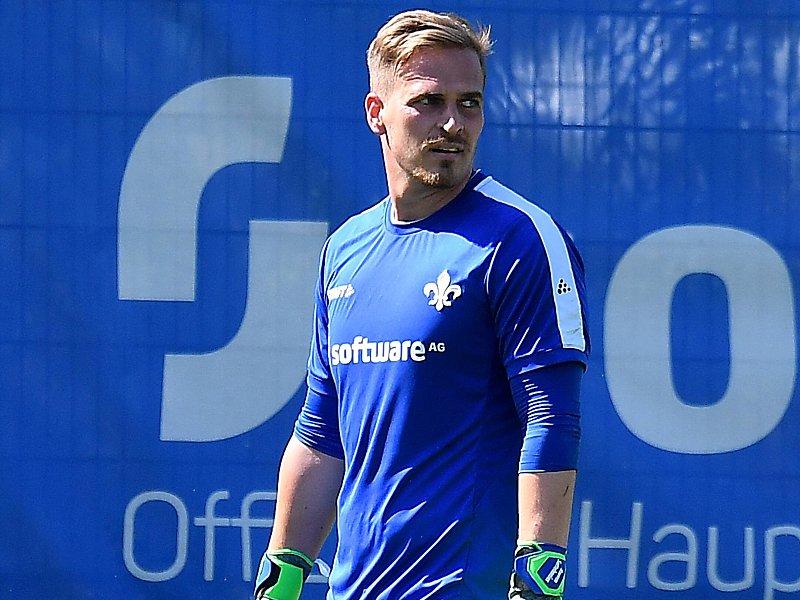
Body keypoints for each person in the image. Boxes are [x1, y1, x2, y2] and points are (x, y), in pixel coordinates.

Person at [254, 9, 590, 600]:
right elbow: (321, 433)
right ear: (376, 114)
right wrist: (280, 578)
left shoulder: (520, 240)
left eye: (470, 103)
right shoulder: (344, 251)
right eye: (429, 102)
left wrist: (539, 576)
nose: (453, 123)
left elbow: (551, 417)